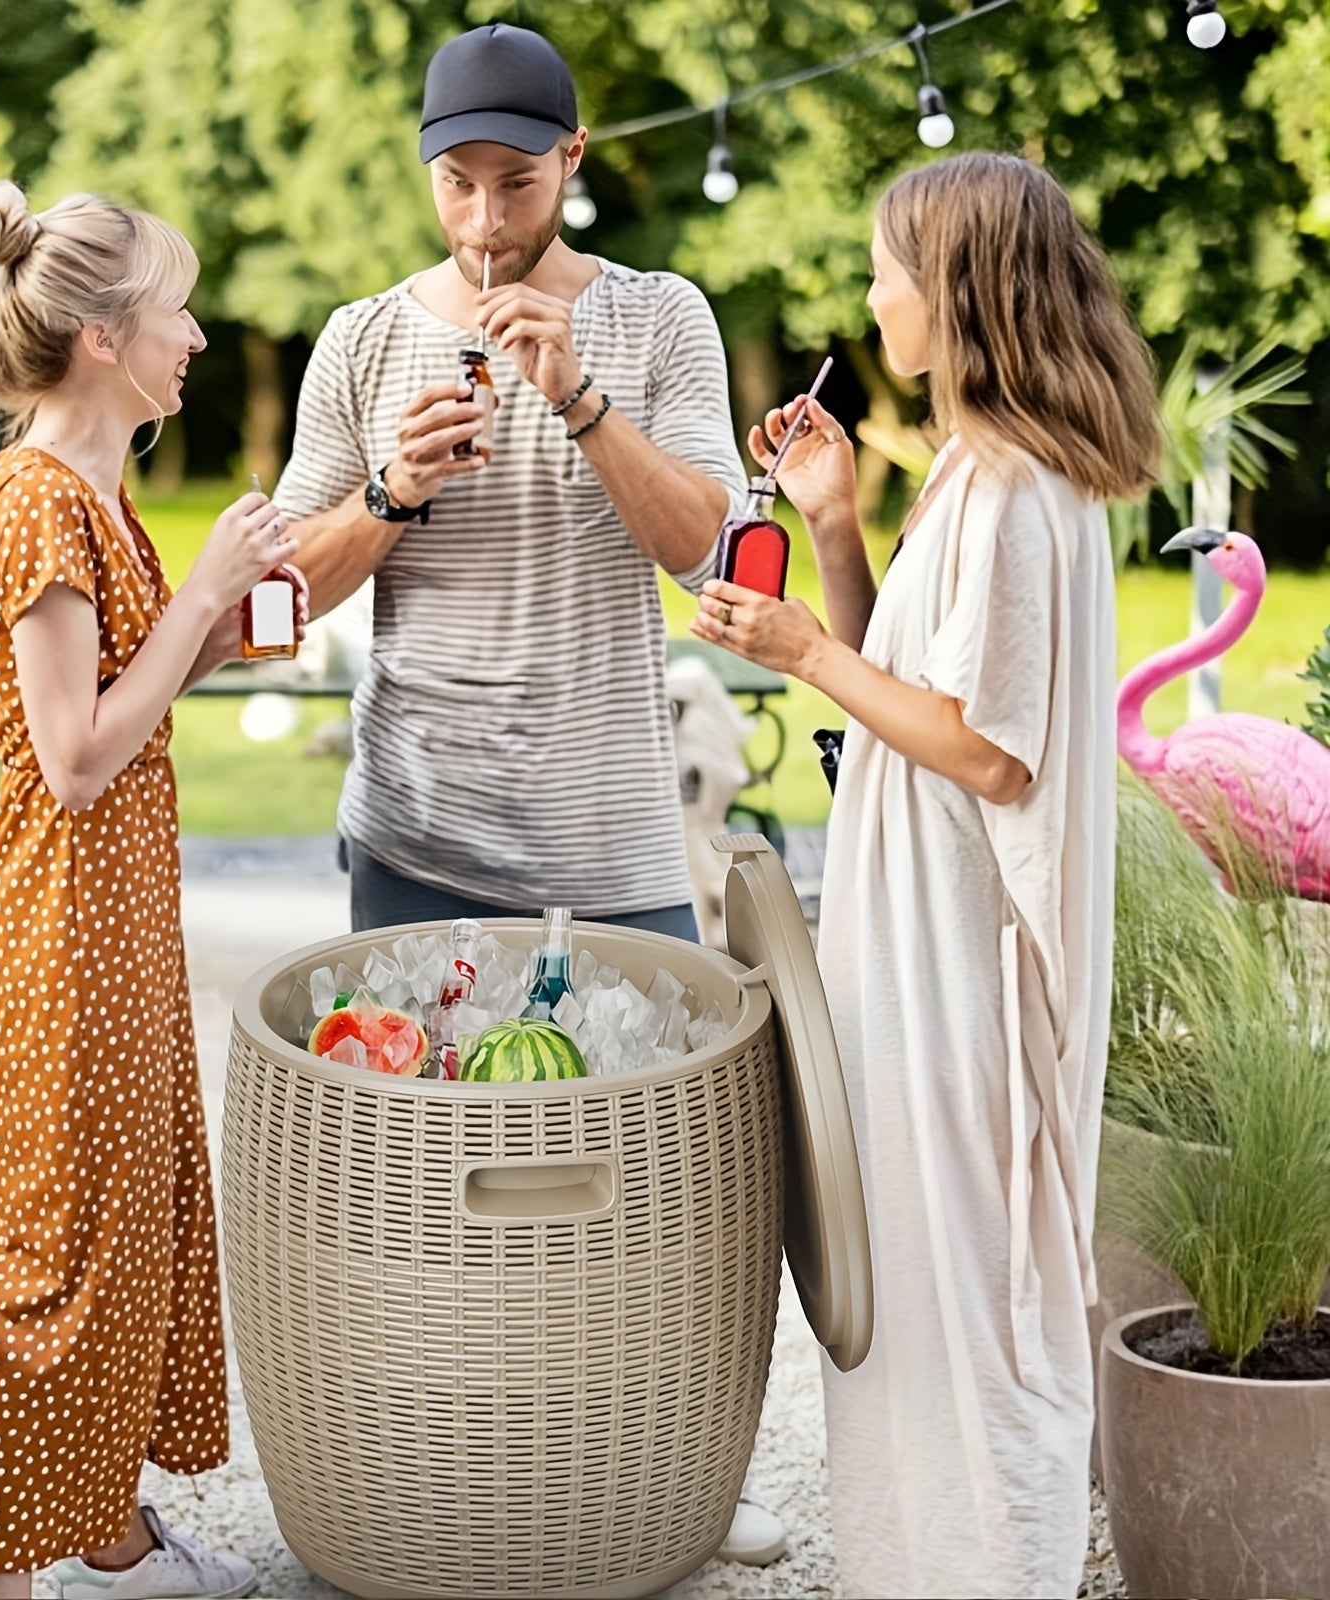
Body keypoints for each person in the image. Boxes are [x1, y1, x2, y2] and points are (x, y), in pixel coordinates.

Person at [692, 151, 1161, 1598]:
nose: (875, 292)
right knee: (912, 1291)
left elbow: (992, 753)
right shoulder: (970, 472)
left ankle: (984, 1574)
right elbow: (905, 691)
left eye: (892, 267)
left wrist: (803, 653)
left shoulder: (1016, 489)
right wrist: (833, 529)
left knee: (969, 1304)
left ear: (953, 291)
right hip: (917, 949)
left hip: (964, 967)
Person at [0, 180, 303, 1600]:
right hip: (62, 925)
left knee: (130, 1222)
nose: (201, 336)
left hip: (114, 923)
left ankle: (108, 1532)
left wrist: (217, 622)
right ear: (103, 336)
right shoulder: (38, 502)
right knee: (62, 1258)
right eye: (178, 308)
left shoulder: (91, 491)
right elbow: (79, 755)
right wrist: (207, 581)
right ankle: (1, 1581)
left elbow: (121, 701)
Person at [274, 22, 746, 945]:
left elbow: (711, 558)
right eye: (458, 183)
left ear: (572, 157)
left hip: (614, 850)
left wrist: (578, 397)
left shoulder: (661, 314)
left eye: (517, 184)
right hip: (414, 841)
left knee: (632, 1096)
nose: (485, 221)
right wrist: (395, 487)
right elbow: (283, 596)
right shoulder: (360, 337)